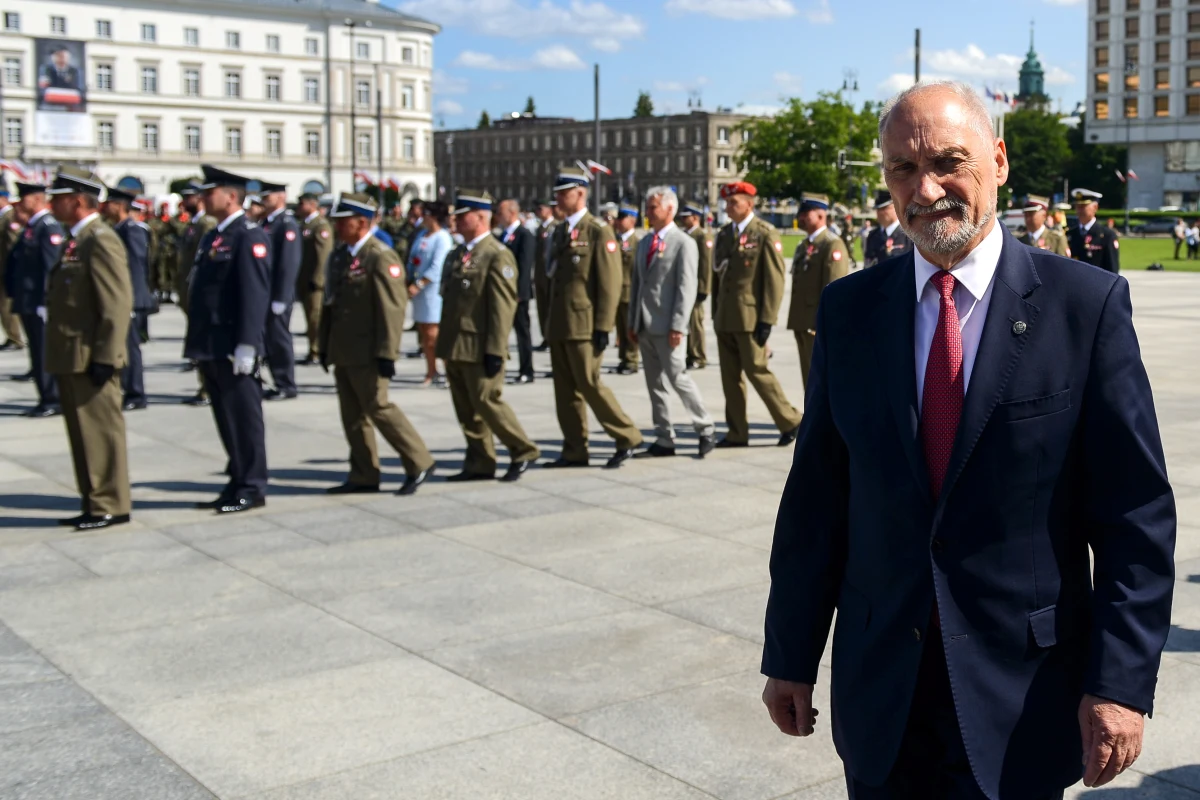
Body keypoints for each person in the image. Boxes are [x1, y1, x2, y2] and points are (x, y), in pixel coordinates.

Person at [761, 80, 1175, 800]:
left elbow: (1134, 518)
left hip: (1022, 697)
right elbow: (816, 504)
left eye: (950, 161)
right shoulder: (852, 310)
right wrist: (790, 652)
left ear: (1000, 162)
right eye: (901, 169)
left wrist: (1119, 682)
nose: (926, 188)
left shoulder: (1085, 307)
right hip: (882, 692)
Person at [320, 193, 435, 496]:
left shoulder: (380, 255)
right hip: (344, 348)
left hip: (369, 350)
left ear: (361, 223)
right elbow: (332, 304)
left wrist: (387, 352)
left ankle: (418, 460)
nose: (337, 227)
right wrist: (324, 344)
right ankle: (363, 474)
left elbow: (392, 309)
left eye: (342, 222)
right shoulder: (341, 255)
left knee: (379, 407)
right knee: (352, 415)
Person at [44, 167, 134, 531]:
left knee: (100, 432)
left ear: (77, 201)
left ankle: (111, 503)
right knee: (83, 435)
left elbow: (115, 303)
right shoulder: (76, 239)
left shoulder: (100, 239)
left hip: (90, 356)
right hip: (71, 354)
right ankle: (94, 501)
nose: (51, 203)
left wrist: (106, 356)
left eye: (57, 197)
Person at [185, 165, 271, 514]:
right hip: (211, 342)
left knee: (243, 416)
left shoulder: (249, 235)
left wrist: (248, 344)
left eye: (209, 193)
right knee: (225, 415)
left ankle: (252, 484)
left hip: (234, 343)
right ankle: (237, 477)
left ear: (231, 196)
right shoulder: (213, 236)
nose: (202, 199)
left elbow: (254, 294)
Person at [544, 166, 643, 468]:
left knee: (590, 383)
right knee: (564, 390)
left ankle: (626, 436)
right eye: (558, 194)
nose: (560, 199)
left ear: (581, 193)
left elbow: (610, 283)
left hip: (585, 325)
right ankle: (574, 448)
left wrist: (603, 326)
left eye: (565, 193)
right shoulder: (560, 231)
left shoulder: (598, 231)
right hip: (561, 323)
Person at [438, 190, 541, 481]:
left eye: (462, 215)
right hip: (456, 344)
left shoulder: (497, 254)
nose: (455, 220)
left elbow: (502, 308)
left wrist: (496, 349)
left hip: (480, 345)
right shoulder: (457, 254)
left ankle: (523, 449)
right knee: (466, 409)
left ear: (480, 217)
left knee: (487, 401)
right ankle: (480, 461)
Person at [711, 181, 802, 448]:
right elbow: (718, 278)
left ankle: (790, 420)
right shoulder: (725, 234)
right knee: (730, 378)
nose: (728, 207)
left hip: (750, 318)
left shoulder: (763, 233)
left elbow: (773, 281)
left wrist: (767, 320)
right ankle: (736, 431)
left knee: (757, 371)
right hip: (725, 317)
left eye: (734, 203)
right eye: (727, 203)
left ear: (749, 204)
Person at [628, 187, 714, 458]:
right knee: (655, 384)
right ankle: (664, 437)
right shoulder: (644, 242)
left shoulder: (683, 243)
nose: (648, 212)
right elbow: (637, 286)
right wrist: (633, 321)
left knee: (678, 378)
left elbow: (686, 288)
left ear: (670, 209)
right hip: (645, 325)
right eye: (648, 206)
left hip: (668, 327)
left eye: (653, 207)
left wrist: (678, 325)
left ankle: (705, 427)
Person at [9, 181, 65, 417]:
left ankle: (52, 398)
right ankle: (46, 395)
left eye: (25, 197)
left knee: (43, 352)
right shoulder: (33, 226)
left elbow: (50, 267)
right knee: (37, 351)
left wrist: (46, 300)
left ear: (38, 199)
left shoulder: (48, 227)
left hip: (39, 301)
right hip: (28, 300)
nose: (21, 202)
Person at [788, 192, 850, 388]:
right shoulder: (803, 245)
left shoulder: (831, 244)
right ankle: (812, 417)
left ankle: (822, 419)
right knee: (808, 378)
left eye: (806, 213)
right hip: (801, 320)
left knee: (821, 380)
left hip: (816, 324)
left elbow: (834, 288)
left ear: (821, 215)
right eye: (801, 214)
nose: (801, 218)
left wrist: (824, 324)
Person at [100, 187, 153, 411]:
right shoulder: (118, 228)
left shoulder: (131, 230)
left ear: (120, 206)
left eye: (110, 203)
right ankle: (128, 388)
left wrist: (128, 298)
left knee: (131, 347)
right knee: (123, 345)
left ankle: (136, 393)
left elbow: (134, 267)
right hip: (124, 296)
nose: (105, 207)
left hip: (130, 297)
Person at [258, 181, 301, 401]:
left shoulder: (287, 224)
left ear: (281, 197)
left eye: (269, 196)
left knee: (279, 339)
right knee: (268, 338)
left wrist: (282, 296)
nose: (264, 200)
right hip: (264, 291)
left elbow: (288, 263)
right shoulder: (266, 222)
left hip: (277, 293)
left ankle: (286, 384)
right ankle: (275, 380)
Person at [176, 183, 217, 407]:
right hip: (188, 289)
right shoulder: (194, 224)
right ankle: (204, 385)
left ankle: (207, 389)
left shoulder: (206, 224)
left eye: (189, 197)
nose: (185, 202)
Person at [406, 201, 452, 386]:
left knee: (435, 334)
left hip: (433, 290)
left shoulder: (442, 237)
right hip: (419, 291)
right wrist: (409, 279)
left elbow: (437, 266)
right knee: (425, 333)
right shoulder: (422, 235)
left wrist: (420, 283)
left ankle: (449, 371)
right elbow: (413, 258)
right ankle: (431, 370)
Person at [495, 198, 536, 384]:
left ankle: (526, 369)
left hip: (517, 294)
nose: (498, 216)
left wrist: (520, 292)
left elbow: (525, 266)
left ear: (512, 213)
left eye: (501, 212)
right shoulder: (502, 235)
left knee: (522, 332)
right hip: (503, 293)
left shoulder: (524, 235)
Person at [295, 192, 334, 366]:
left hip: (314, 281)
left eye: (302, 203)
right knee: (309, 316)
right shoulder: (305, 224)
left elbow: (323, 256)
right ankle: (313, 348)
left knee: (315, 317)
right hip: (304, 278)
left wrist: (318, 280)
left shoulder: (320, 225)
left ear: (312, 205)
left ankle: (317, 350)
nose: (299, 207)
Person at [678, 201, 712, 371]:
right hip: (685, 286)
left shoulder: (701, 236)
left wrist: (703, 289)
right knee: (687, 323)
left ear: (695, 218)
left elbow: (706, 264)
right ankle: (690, 354)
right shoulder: (684, 235)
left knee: (695, 324)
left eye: (687, 217)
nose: (683, 220)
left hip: (696, 287)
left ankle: (698, 355)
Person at [612, 203, 640, 375]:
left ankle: (631, 360)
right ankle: (623, 358)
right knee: (620, 329)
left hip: (629, 291)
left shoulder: (637, 242)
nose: (619, 222)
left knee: (630, 329)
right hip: (616, 291)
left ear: (632, 220)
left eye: (622, 219)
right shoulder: (615, 240)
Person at [1067, 189, 1120, 274]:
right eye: (1077, 206)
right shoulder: (1070, 234)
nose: (1079, 210)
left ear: (1095, 207)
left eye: (1083, 206)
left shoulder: (1107, 235)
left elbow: (1112, 270)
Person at [0, 188, 25, 351]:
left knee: (6, 305)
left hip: (6, 269)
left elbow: (11, 244)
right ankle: (11, 336)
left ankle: (15, 337)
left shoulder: (9, 217)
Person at [863, 189, 913, 268]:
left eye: (884, 208)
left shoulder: (909, 235)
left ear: (896, 207)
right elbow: (868, 264)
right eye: (877, 209)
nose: (880, 213)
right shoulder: (873, 235)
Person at [532, 198, 556, 350]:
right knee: (541, 307)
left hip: (549, 275)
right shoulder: (540, 228)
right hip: (539, 273)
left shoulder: (555, 227)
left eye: (541, 209)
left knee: (550, 307)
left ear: (548, 210)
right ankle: (544, 336)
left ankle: (550, 336)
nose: (538, 212)